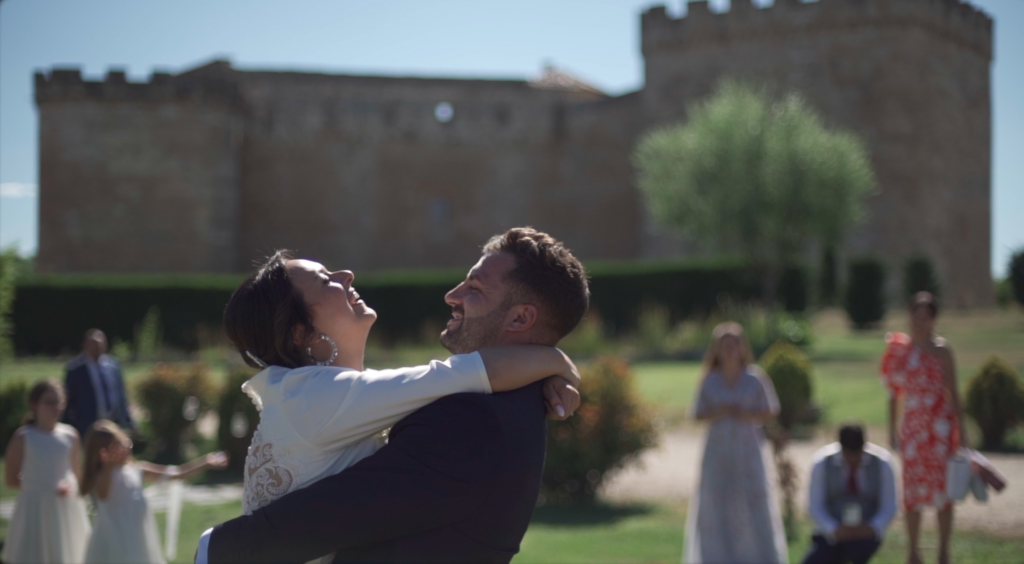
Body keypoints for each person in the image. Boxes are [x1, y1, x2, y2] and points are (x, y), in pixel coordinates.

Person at [198, 227, 590, 564]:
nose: (346, 274)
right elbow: (455, 376)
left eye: (473, 288)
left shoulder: (472, 419)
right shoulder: (318, 397)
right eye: (324, 280)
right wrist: (555, 362)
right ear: (303, 334)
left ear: (521, 318)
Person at [684, 322, 788, 564]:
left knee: (751, 504)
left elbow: (771, 410)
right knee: (715, 506)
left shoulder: (756, 378)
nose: (729, 350)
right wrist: (720, 411)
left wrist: (747, 415)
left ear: (743, 347)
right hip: (717, 452)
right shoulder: (709, 380)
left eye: (734, 344)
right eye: (724, 345)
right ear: (716, 350)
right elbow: (696, 414)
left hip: (748, 450)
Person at [880, 292, 967, 564]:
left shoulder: (943, 351)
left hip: (940, 429)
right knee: (912, 494)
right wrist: (892, 430)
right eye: (915, 315)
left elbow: (953, 390)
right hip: (914, 432)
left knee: (944, 492)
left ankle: (943, 551)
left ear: (933, 318)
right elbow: (893, 393)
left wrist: (962, 430)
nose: (919, 321)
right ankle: (913, 552)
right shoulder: (900, 351)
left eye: (925, 316)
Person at [80, 420, 228, 564]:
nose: (125, 447)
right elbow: (103, 495)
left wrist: (205, 462)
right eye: (116, 446)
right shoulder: (101, 477)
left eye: (123, 441)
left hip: (138, 541)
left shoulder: (137, 469)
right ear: (102, 453)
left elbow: (176, 473)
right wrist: (109, 467)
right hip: (112, 542)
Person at [2, 379, 91, 564]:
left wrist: (71, 488)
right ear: (35, 404)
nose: (56, 407)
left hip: (65, 507)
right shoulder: (24, 437)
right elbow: (11, 480)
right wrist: (42, 488)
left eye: (59, 402)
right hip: (35, 509)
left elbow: (76, 473)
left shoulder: (70, 435)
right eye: (49, 402)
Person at [803, 424, 897, 564]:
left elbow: (889, 505)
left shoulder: (882, 462)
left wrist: (872, 527)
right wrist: (833, 529)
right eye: (848, 454)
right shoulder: (822, 462)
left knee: (857, 552)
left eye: (857, 453)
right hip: (832, 532)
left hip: (866, 533)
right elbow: (815, 506)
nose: (853, 459)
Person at [63, 329, 135, 438]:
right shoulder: (76, 369)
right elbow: (69, 401)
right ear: (86, 345)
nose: (98, 347)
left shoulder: (114, 366)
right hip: (88, 426)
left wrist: (128, 421)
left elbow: (121, 396)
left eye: (101, 343)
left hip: (113, 423)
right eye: (94, 343)